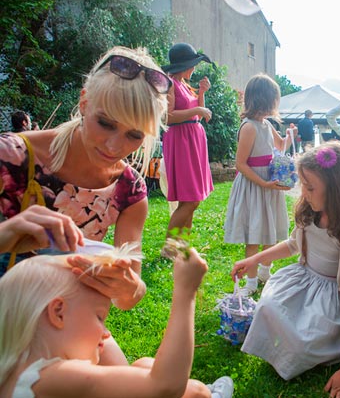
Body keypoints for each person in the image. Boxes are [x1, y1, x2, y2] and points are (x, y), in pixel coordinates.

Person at [0, 45, 169, 364]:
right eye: (105, 123)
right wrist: (7, 234)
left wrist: (129, 286)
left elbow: (130, 297)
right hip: (7, 322)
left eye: (134, 135)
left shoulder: (129, 188)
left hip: (66, 321)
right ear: (83, 102)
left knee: (136, 378)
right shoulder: (12, 158)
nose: (115, 146)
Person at [0, 243, 234, 398]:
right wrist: (186, 290)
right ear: (58, 312)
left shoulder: (15, 368)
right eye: (99, 317)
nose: (105, 332)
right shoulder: (50, 378)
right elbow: (165, 386)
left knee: (144, 364)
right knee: (193, 392)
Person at [231, 141, 340, 397]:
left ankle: (312, 347)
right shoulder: (309, 211)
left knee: (304, 341)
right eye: (302, 185)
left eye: (310, 187)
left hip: (332, 297)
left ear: (336, 189)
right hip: (304, 280)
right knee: (268, 306)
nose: (303, 193)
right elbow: (293, 244)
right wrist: (254, 260)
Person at [223, 74, 292, 295]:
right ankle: (250, 282)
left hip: (270, 184)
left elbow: (280, 146)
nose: (275, 104)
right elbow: (241, 164)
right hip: (255, 186)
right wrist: (263, 182)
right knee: (254, 235)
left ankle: (264, 271)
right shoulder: (249, 127)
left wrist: (289, 135)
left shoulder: (266, 124)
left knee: (269, 231)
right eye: (274, 99)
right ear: (264, 99)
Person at [161, 43, 214, 236]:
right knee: (191, 199)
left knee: (189, 198)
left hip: (193, 140)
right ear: (184, 65)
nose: (194, 68)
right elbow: (167, 117)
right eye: (192, 64)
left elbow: (198, 116)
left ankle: (181, 245)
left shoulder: (184, 84)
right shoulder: (169, 84)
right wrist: (197, 110)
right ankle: (171, 246)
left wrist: (201, 93)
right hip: (180, 141)